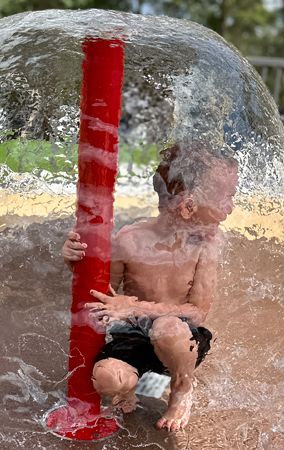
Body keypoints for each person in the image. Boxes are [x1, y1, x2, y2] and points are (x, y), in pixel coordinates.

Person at [61, 142, 239, 431]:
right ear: (188, 206)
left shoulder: (205, 246)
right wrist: (76, 262)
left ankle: (181, 387)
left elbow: (197, 313)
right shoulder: (130, 240)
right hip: (135, 336)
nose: (230, 209)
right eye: (226, 198)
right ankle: (131, 386)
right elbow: (103, 293)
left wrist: (133, 306)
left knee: (167, 327)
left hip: (180, 341)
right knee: (107, 378)